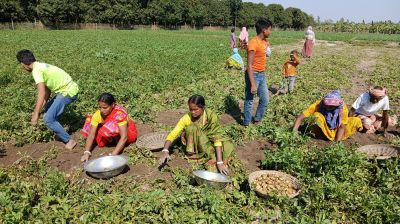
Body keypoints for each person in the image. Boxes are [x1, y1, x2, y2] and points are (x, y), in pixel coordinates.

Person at [16, 49, 79, 149]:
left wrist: (36, 114)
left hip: (67, 92)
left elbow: (41, 93)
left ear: (23, 64)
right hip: (66, 89)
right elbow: (47, 92)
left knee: (48, 119)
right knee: (47, 109)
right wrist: (41, 107)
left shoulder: (36, 71)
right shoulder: (40, 65)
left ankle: (69, 140)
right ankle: (59, 130)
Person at [160, 95, 234, 175]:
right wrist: (165, 150)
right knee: (192, 128)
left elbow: (217, 138)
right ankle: (197, 154)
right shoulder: (187, 118)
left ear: (203, 107)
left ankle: (216, 159)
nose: (193, 112)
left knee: (226, 145)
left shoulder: (211, 117)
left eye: (196, 109)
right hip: (196, 143)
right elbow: (173, 133)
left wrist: (219, 162)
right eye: (191, 109)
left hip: (209, 140)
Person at [80, 93, 138, 162]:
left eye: (105, 108)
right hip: (113, 132)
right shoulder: (98, 114)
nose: (102, 110)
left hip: (128, 133)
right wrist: (87, 152)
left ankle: (118, 143)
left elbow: (124, 137)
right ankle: (112, 139)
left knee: (111, 127)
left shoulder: (119, 114)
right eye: (100, 107)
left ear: (112, 105)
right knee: (90, 120)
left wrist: (113, 155)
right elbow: (91, 134)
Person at [293, 90, 362, 142]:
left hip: (336, 130)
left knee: (356, 120)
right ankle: (320, 138)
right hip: (324, 129)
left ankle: (335, 138)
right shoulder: (318, 104)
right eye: (327, 106)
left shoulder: (342, 108)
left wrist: (337, 143)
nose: (329, 108)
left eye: (331, 107)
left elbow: (342, 126)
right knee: (316, 116)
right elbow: (300, 118)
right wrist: (294, 132)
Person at [243, 18, 272, 126]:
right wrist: (253, 84)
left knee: (265, 99)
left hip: (262, 74)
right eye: (269, 29)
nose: (270, 31)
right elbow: (249, 65)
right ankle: (246, 123)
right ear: (264, 30)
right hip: (253, 74)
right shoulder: (253, 43)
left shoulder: (264, 41)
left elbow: (266, 52)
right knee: (250, 100)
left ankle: (257, 119)